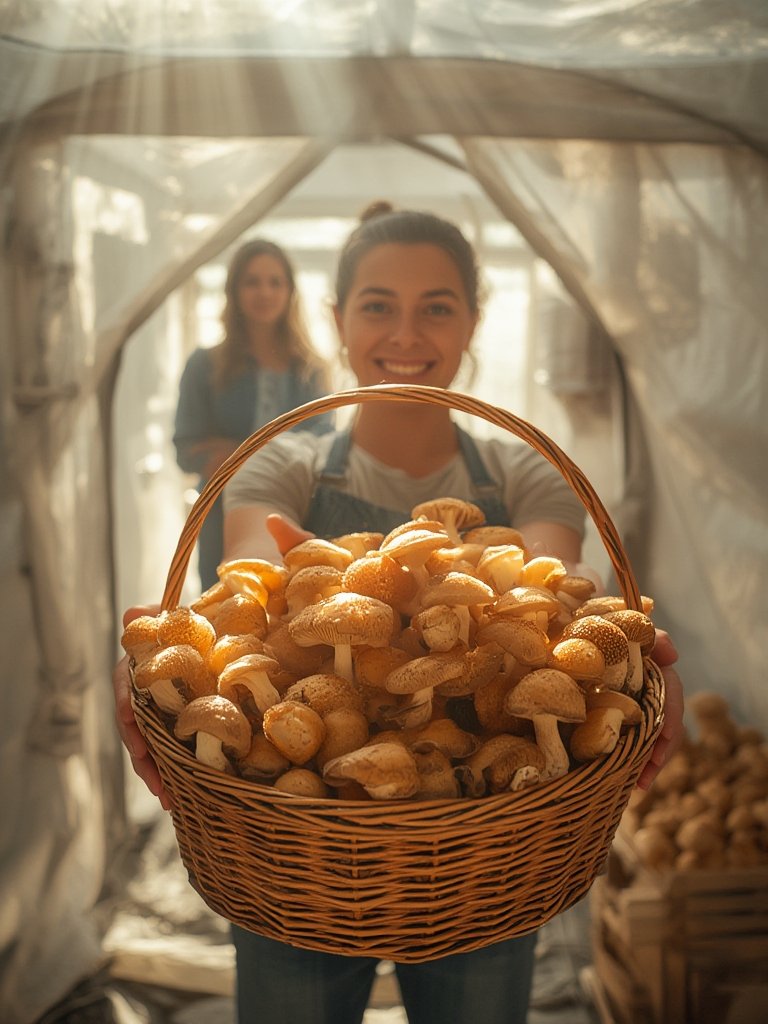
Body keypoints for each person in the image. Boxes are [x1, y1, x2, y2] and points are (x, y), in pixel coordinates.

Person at [114, 202, 684, 1024]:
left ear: (473, 322)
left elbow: (555, 596)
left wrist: (621, 647)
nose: (405, 333)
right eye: (378, 304)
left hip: (486, 849)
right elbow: (253, 602)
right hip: (297, 855)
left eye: (437, 307)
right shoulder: (285, 461)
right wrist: (159, 659)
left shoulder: (527, 472)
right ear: (338, 320)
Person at [173, 238, 335, 589]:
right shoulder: (204, 365)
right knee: (223, 602)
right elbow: (187, 448)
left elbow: (324, 447)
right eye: (253, 281)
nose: (264, 292)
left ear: (290, 291)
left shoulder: (312, 370)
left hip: (300, 512)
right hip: (219, 513)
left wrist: (236, 453)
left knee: (301, 602)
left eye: (275, 282)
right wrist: (283, 453)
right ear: (234, 291)